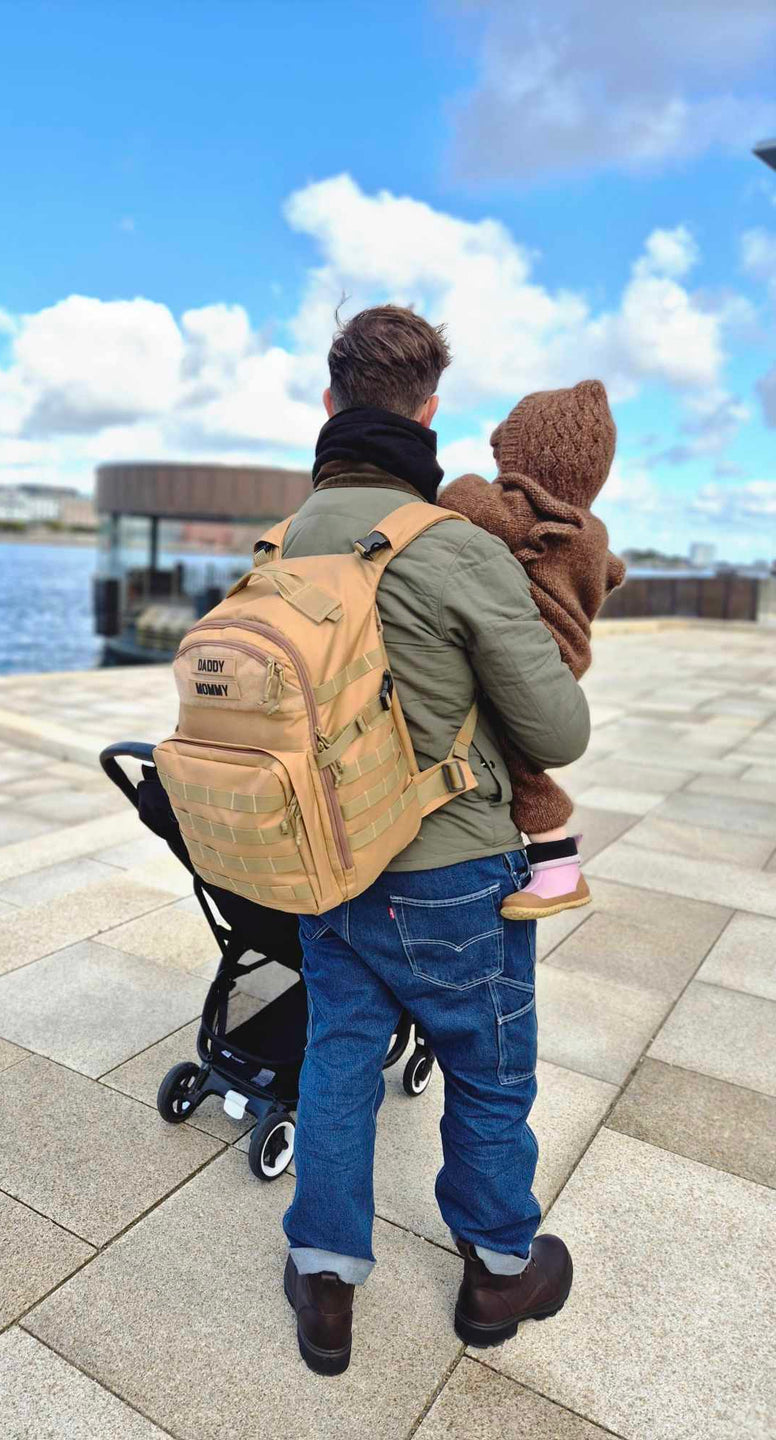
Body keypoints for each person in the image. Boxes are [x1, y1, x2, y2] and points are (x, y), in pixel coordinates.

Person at [279, 305, 591, 1375]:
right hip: (449, 869)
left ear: (330, 406)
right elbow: (558, 730)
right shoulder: (451, 548)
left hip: (324, 861)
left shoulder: (283, 542)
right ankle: (500, 1269)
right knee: (490, 1070)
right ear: (429, 413)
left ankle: (325, 1281)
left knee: (338, 1061)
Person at [440, 380, 626, 921]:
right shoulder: (588, 528)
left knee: (514, 755)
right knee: (514, 749)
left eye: (507, 446)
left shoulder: (530, 517)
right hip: (564, 653)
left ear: (537, 458)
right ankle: (557, 865)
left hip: (537, 651)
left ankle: (560, 868)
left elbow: (460, 497)